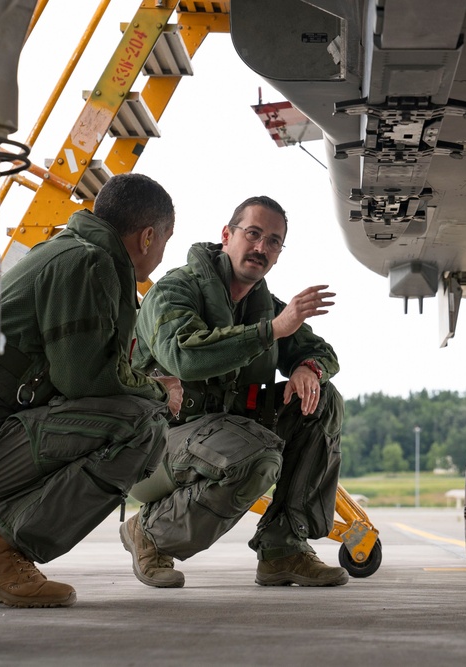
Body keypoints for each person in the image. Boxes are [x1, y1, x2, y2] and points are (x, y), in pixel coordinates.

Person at [0, 173, 183, 608]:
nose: (162, 253)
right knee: (142, 427)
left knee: (105, 416)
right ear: (147, 237)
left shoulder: (62, 251)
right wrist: (159, 392)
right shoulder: (88, 264)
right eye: (165, 240)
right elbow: (86, 380)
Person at [125, 195, 347, 587]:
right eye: (253, 234)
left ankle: (283, 548)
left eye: (273, 241)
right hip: (153, 447)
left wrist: (306, 369)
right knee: (256, 457)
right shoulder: (174, 292)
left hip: (224, 438)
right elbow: (184, 356)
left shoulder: (264, 307)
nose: (261, 248)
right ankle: (150, 531)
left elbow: (319, 351)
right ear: (227, 236)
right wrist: (272, 332)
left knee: (322, 402)